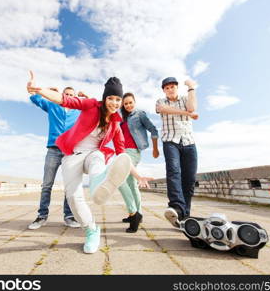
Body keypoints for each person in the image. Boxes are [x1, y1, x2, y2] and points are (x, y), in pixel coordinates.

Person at [27, 75, 152, 254]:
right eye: (111, 98)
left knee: (97, 159)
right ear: (105, 98)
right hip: (72, 154)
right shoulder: (91, 105)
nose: (115, 103)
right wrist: (39, 89)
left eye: (118, 99)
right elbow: (64, 99)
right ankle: (91, 229)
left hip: (93, 155)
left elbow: (122, 155)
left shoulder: (116, 124)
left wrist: (138, 175)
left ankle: (98, 186)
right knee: (73, 197)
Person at [27, 72, 84, 230]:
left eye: (71, 95)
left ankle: (69, 216)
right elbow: (35, 98)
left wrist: (85, 95)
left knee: (69, 186)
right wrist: (38, 88)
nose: (68, 97)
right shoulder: (52, 105)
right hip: (53, 150)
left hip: (70, 152)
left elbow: (95, 109)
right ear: (61, 95)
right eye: (66, 94)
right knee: (47, 185)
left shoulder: (78, 112)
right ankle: (42, 216)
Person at [155, 77, 199, 228]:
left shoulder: (185, 99)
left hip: (189, 142)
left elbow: (192, 107)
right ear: (164, 90)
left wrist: (191, 87)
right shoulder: (160, 101)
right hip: (170, 141)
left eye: (172, 87)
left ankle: (184, 216)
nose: (170, 89)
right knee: (174, 172)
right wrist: (186, 114)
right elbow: (164, 110)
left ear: (177, 87)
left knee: (190, 179)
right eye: (167, 88)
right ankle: (176, 207)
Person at [119, 92, 159, 233]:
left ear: (134, 102)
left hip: (133, 152)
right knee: (131, 184)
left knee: (119, 180)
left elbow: (153, 129)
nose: (128, 105)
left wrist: (155, 148)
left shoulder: (140, 114)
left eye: (130, 102)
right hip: (123, 152)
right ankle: (138, 214)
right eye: (126, 103)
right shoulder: (121, 117)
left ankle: (133, 213)